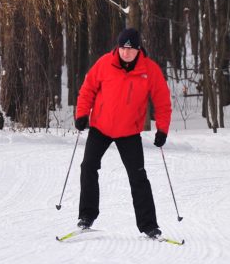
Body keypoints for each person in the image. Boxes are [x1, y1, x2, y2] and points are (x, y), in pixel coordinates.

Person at [73, 27, 172, 239]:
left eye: (130, 49)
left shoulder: (150, 70)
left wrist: (162, 129)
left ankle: (149, 226)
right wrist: (82, 114)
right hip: (101, 127)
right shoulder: (104, 63)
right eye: (122, 48)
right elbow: (87, 89)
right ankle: (86, 216)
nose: (125, 53)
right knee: (88, 166)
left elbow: (163, 102)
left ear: (138, 50)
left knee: (138, 177)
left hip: (129, 131)